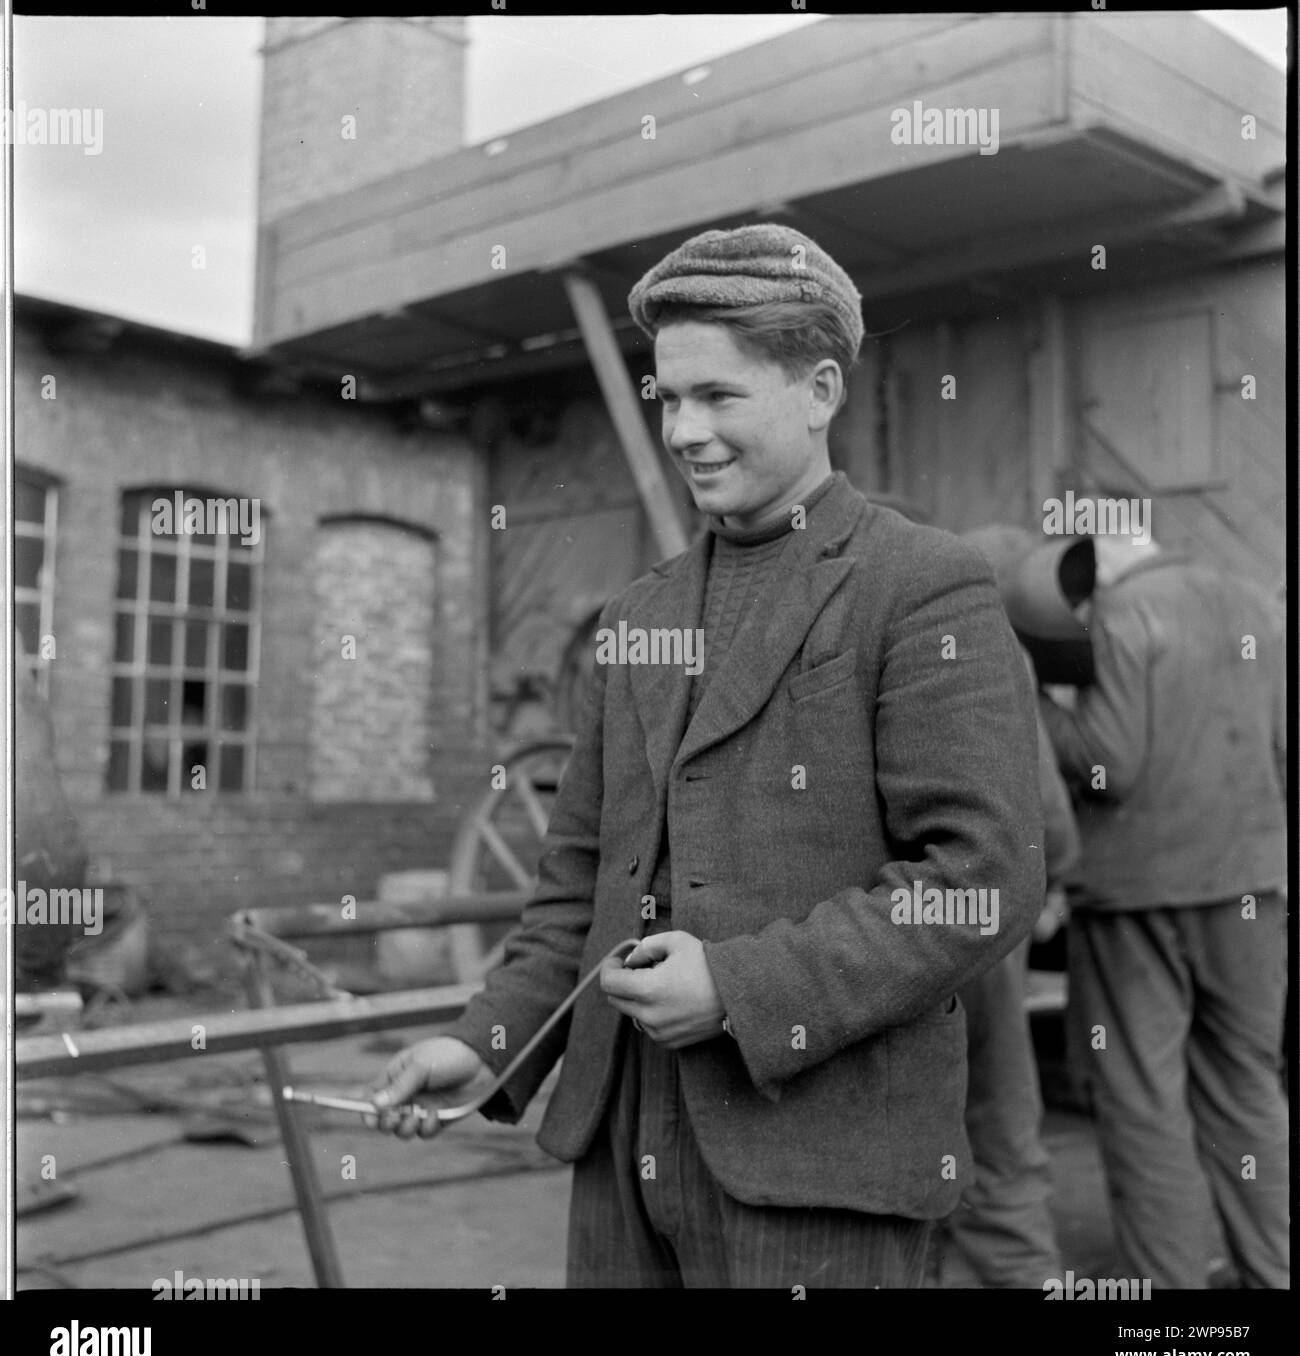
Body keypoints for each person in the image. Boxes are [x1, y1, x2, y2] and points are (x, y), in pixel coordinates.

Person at [367, 224, 1045, 1288]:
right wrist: (488, 1042)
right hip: (620, 1155)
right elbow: (579, 883)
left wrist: (739, 986)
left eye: (718, 397)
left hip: (816, 1164)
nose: (683, 429)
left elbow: (979, 877)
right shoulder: (637, 615)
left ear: (818, 388)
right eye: (667, 398)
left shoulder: (919, 586)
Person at [1037, 529, 1289, 1289]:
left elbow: (1111, 762)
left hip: (1139, 895)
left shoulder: (1122, 610)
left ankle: (1171, 1308)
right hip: (1250, 885)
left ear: (1097, 556)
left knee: (1142, 1100)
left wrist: (1033, 704)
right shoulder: (1251, 599)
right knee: (1248, 1089)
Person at [935, 524, 1079, 1289]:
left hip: (871, 931)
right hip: (980, 926)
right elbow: (1048, 814)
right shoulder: (999, 647)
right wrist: (1055, 882)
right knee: (999, 1123)